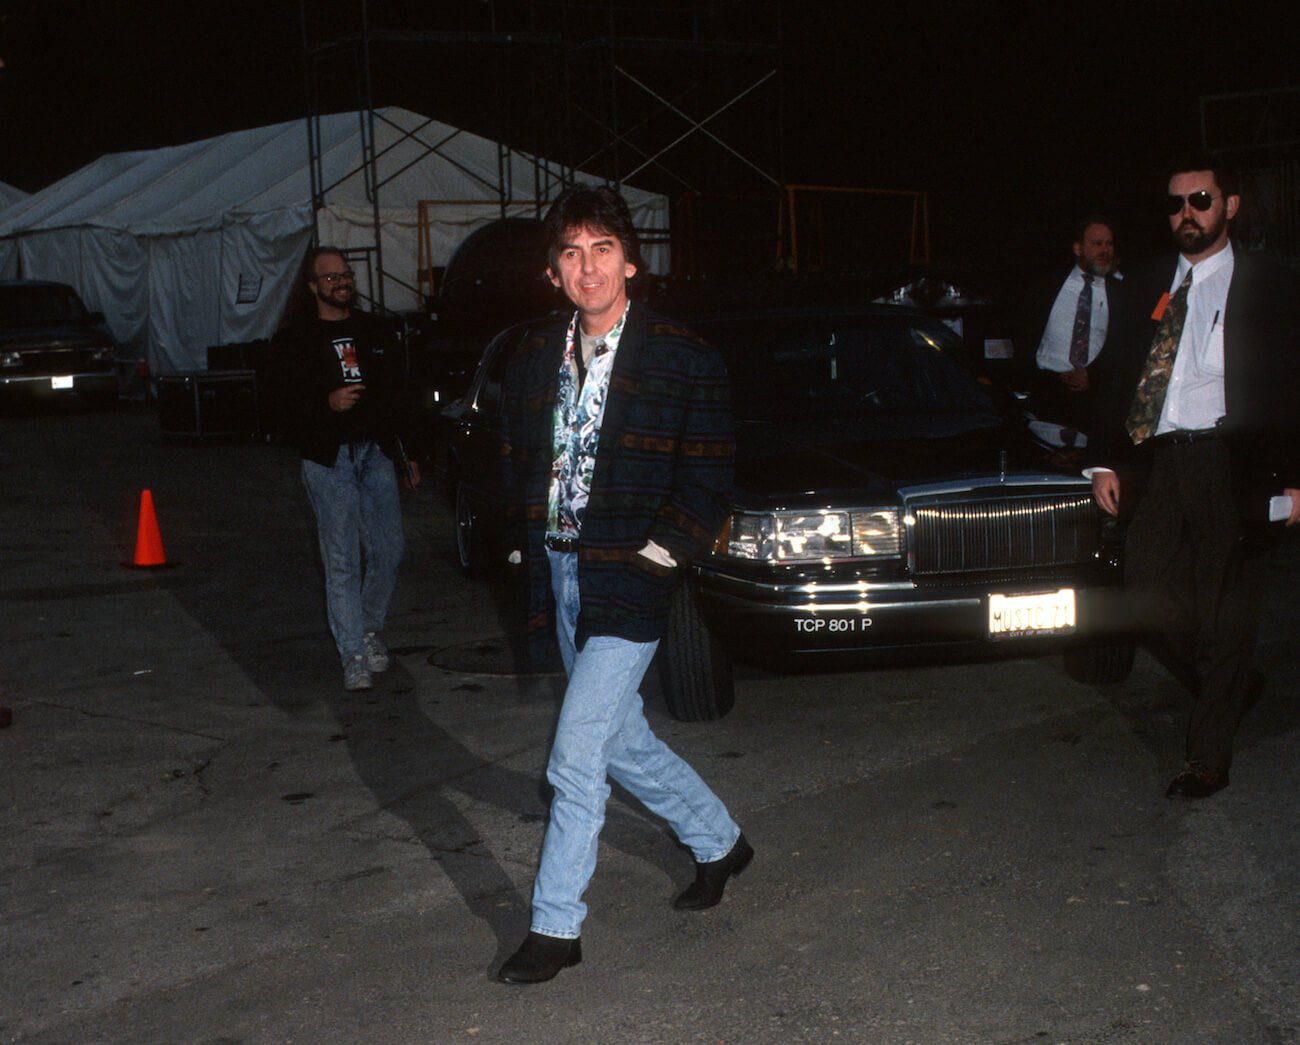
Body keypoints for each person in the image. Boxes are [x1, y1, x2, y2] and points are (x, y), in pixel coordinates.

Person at [495, 186, 751, 985]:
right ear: (553, 271)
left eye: (602, 248)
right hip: (561, 568)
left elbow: (709, 479)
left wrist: (658, 556)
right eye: (571, 253)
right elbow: (518, 458)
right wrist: (520, 541)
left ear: (631, 261)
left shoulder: (682, 354)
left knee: (574, 754)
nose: (588, 267)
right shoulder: (536, 354)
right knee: (620, 739)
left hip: (632, 577)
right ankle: (719, 841)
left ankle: (555, 926)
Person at [1088, 157, 1300, 800]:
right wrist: (1104, 460)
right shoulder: (1145, 284)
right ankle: (1226, 681)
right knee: (1145, 586)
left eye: (1200, 200)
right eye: (1176, 203)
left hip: (1232, 464)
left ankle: (1207, 756)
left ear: (1230, 206)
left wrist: (1294, 478)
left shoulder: (1271, 283)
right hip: (1160, 462)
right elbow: (1114, 375)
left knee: (1227, 608)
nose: (1187, 213)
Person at [270, 247, 422, 692]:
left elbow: (398, 394)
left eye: (345, 275)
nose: (341, 282)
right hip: (328, 460)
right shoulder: (294, 340)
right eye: (330, 277)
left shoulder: (374, 331)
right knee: (341, 561)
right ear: (313, 286)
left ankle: (369, 627)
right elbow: (278, 411)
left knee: (389, 549)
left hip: (374, 453)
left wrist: (408, 452)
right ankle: (353, 654)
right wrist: (326, 403)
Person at [1023, 215, 1124, 447]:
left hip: (1092, 396)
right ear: (1078, 248)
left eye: (1109, 244)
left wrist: (1094, 375)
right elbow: (1024, 332)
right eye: (1097, 243)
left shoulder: (1120, 292)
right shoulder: (1049, 284)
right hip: (1047, 393)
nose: (1105, 250)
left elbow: (1125, 345)